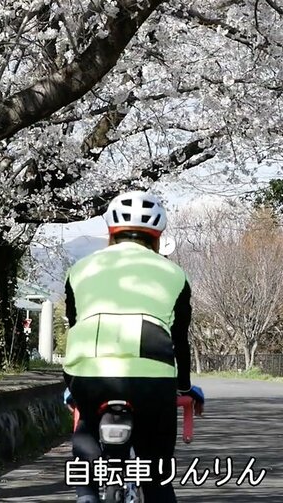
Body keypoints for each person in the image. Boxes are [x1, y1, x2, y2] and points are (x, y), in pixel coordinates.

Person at [63, 190, 204, 503]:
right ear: (157, 238)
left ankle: (86, 495)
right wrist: (184, 388)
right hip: (152, 380)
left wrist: (72, 385)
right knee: (156, 476)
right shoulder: (175, 274)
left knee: (86, 424)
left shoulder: (80, 270)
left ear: (111, 234)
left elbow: (75, 323)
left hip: (87, 373)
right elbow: (180, 337)